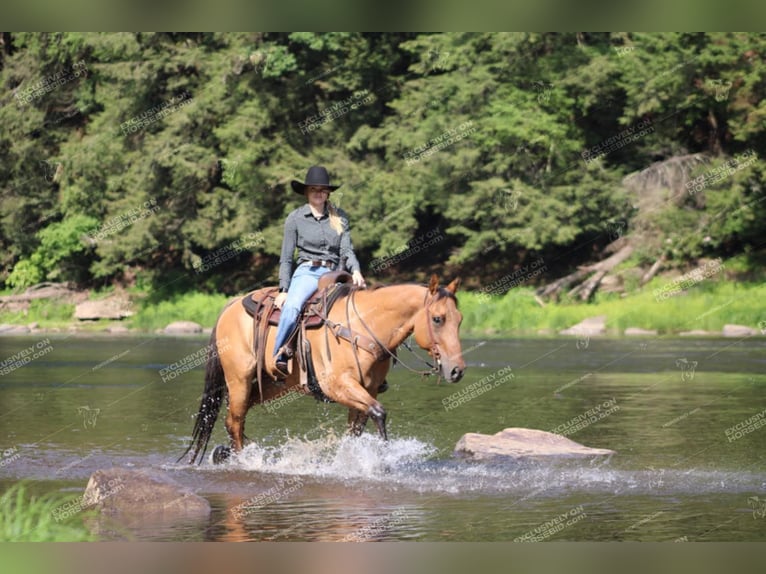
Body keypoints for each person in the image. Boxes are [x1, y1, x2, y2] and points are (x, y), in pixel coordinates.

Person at [272, 165, 366, 377]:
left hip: (335, 274)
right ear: (306, 192)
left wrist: (357, 271)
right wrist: (283, 289)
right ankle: (279, 355)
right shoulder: (295, 219)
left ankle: (368, 366)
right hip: (308, 272)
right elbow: (286, 258)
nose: (319, 193)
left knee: (361, 308)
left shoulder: (340, 217)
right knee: (293, 307)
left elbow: (347, 250)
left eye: (323, 190)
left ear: (328, 193)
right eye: (314, 189)